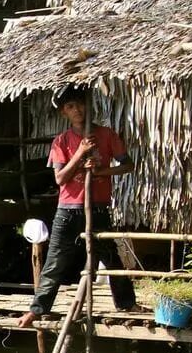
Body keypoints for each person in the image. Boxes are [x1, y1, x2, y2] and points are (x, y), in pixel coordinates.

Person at [17, 87, 136, 329]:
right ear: (64, 112)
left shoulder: (106, 135)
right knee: (55, 261)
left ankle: (126, 304)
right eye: (70, 107)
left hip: (98, 207)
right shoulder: (61, 141)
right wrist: (80, 153)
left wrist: (103, 171)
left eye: (80, 104)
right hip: (68, 209)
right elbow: (60, 179)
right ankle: (37, 310)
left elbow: (127, 165)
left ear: (88, 106)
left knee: (110, 258)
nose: (77, 110)